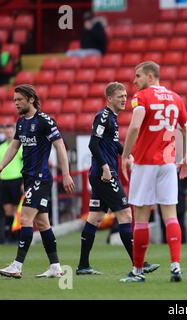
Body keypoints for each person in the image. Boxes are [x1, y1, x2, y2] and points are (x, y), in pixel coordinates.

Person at [120, 61, 187, 283]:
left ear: (151, 76)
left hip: (145, 163)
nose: (135, 81)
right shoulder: (176, 98)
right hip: (168, 163)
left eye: (138, 76)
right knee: (170, 215)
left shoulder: (141, 97)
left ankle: (137, 271)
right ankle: (176, 266)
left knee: (141, 217)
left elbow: (134, 127)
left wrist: (125, 155)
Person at [76, 82, 159, 276]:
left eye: (125, 96)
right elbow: (93, 145)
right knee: (125, 215)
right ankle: (139, 264)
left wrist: (127, 154)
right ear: (110, 99)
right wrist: (106, 168)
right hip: (105, 175)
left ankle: (83, 265)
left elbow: (112, 144)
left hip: (101, 175)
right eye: (120, 96)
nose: (124, 99)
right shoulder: (104, 116)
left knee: (95, 218)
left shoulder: (112, 118)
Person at [0, 84, 75, 279]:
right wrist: (1, 166)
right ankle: (55, 266)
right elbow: (13, 147)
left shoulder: (45, 121)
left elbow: (60, 146)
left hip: (40, 178)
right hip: (28, 178)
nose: (16, 104)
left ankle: (17, 265)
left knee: (25, 219)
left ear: (31, 99)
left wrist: (66, 174)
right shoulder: (21, 123)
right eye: (14, 100)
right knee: (43, 223)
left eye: (19, 100)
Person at [0, 124, 23, 244]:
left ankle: (17, 236)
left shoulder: (20, 146)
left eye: (11, 131)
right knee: (7, 210)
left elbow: (24, 163)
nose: (8, 134)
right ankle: (8, 236)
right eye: (6, 132)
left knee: (17, 209)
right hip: (4, 181)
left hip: (17, 180)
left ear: (14, 132)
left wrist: (24, 182)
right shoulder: (1, 147)